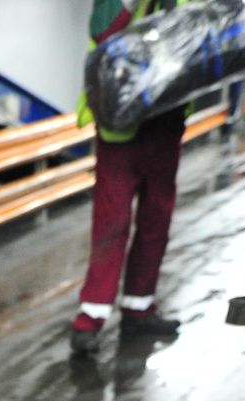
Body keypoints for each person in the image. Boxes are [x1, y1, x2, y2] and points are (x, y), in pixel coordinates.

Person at [70, 0, 189, 355]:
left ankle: (139, 308)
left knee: (157, 219)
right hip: (120, 123)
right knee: (113, 221)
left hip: (165, 119)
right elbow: (103, 29)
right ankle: (89, 319)